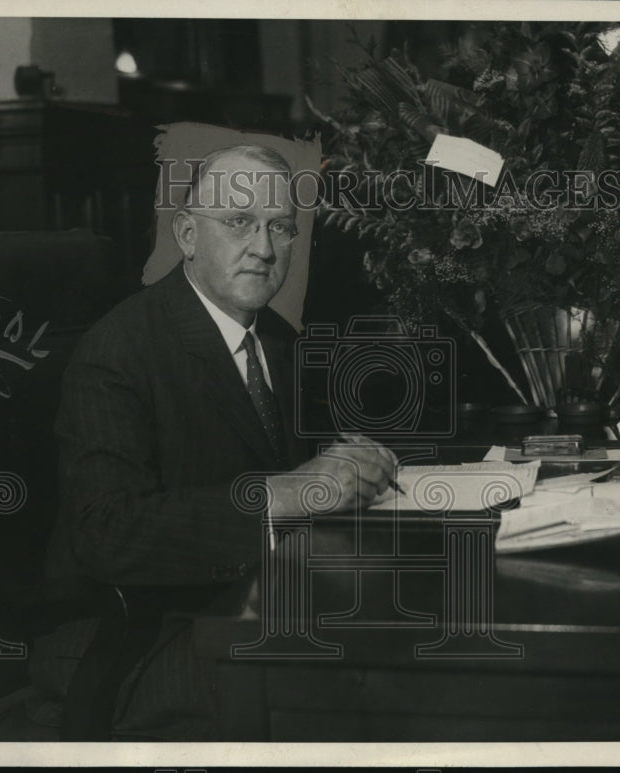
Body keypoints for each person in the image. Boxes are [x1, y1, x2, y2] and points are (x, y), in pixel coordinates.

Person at [29, 144, 397, 740]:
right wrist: (281, 494)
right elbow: (109, 534)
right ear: (187, 235)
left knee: (398, 641)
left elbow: (304, 473)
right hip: (137, 639)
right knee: (362, 685)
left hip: (251, 603)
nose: (264, 248)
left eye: (281, 227)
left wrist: (351, 465)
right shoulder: (118, 350)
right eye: (238, 222)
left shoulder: (277, 339)